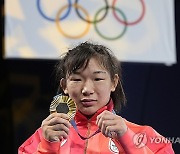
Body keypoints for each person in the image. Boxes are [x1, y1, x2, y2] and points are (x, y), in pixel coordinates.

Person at [18, 41, 174, 154]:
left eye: (98, 79)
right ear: (64, 86)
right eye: (77, 79)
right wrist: (48, 147)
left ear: (114, 83)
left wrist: (127, 138)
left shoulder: (144, 135)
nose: (86, 89)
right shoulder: (43, 136)